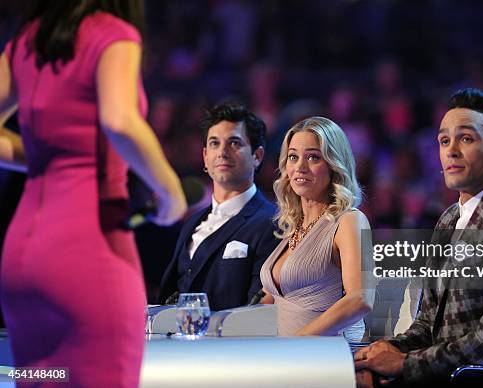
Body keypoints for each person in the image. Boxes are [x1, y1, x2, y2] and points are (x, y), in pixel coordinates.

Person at [0, 1, 186, 386]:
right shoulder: (112, 33)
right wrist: (169, 192)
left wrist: (45, 156)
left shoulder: (27, 41)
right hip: (88, 248)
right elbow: (119, 120)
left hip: (20, 259)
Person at [354, 88, 483, 387]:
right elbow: (428, 325)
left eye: (466, 138)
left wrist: (406, 365)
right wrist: (389, 352)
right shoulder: (450, 219)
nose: (451, 150)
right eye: (444, 140)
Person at [259, 116, 373, 342]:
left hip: (327, 356)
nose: (300, 167)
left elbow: (360, 299)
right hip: (284, 356)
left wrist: (295, 343)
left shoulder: (349, 220)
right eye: (293, 157)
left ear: (334, 165)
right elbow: (269, 302)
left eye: (313, 157)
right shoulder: (293, 228)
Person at [158, 103, 279, 311]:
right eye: (214, 143)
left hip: (234, 341)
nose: (222, 152)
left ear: (257, 156)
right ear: (205, 156)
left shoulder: (272, 223)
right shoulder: (192, 223)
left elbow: (259, 311)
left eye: (234, 143)